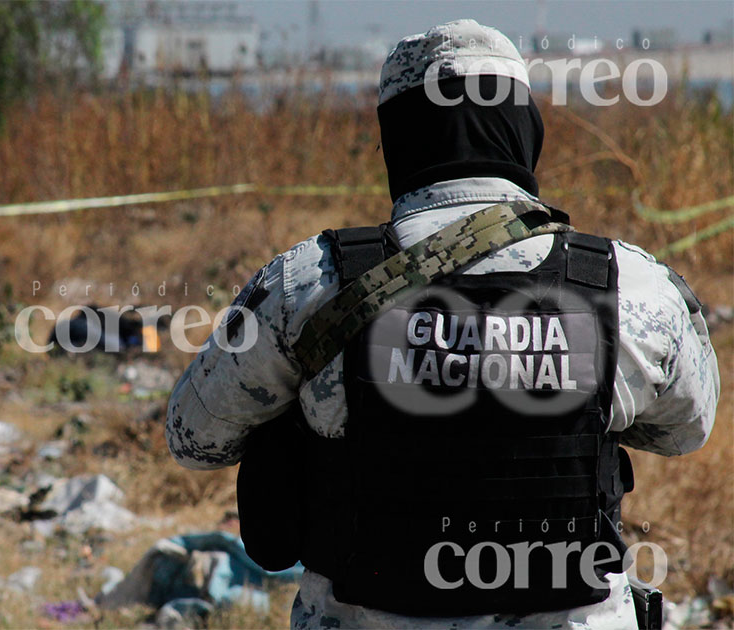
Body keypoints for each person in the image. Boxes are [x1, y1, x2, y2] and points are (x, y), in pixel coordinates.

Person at [166, 20, 719, 630]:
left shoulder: (306, 284)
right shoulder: (631, 287)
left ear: (397, 137)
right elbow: (685, 431)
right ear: (523, 128)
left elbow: (194, 438)